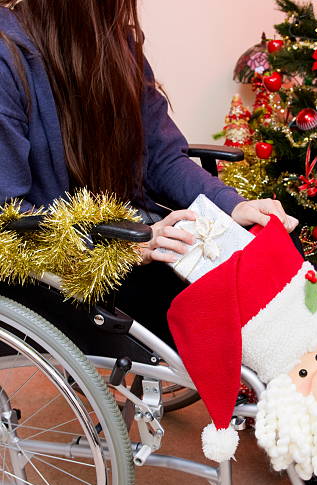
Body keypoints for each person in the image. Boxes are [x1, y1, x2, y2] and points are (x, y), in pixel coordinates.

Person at [0, 0, 295, 340]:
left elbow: (163, 158)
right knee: (231, 317)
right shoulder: (8, 59)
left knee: (277, 257)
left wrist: (232, 205)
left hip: (135, 235)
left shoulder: (117, 45)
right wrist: (120, 248)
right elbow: (9, 219)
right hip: (63, 269)